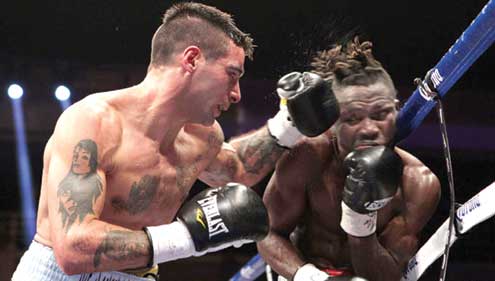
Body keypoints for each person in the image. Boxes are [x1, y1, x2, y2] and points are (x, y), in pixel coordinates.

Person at [11, 2, 339, 281]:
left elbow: (236, 169)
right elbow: (73, 247)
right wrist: (187, 237)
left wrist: (289, 125)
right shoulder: (94, 122)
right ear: (192, 59)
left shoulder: (202, 137)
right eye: (232, 74)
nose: (236, 94)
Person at [257, 37, 441, 281]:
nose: (369, 129)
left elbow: (388, 275)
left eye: (380, 114)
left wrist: (360, 219)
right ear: (333, 121)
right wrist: (313, 278)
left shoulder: (417, 183)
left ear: (396, 110)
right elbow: (269, 232)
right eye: (353, 118)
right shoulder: (306, 157)